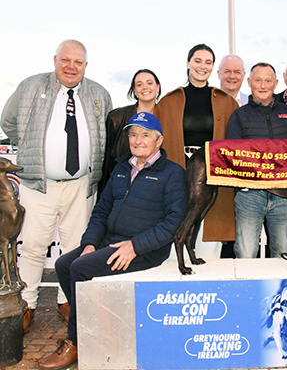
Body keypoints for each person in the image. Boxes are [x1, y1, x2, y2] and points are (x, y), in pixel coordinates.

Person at [37, 112, 187, 370]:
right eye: (133, 134)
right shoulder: (121, 169)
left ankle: (76, 341)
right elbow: (101, 211)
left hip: (144, 249)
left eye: (145, 135)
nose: (138, 140)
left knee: (79, 268)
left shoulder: (173, 173)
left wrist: (135, 246)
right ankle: (93, 327)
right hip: (110, 241)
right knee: (64, 264)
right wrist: (90, 243)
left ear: (159, 140)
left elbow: (174, 222)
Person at [0, 39, 112, 332]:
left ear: (86, 66)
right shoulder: (29, 87)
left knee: (75, 247)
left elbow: (105, 134)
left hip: (81, 185)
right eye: (66, 60)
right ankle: (27, 304)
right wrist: (33, 147)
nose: (71, 66)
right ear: (55, 60)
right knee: (34, 246)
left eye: (78, 62)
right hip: (39, 184)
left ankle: (67, 301)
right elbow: (8, 122)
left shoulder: (99, 93)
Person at [154, 44, 239, 258]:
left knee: (209, 247)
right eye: (198, 61)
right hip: (178, 172)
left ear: (213, 68)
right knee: (176, 236)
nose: (202, 66)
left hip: (213, 175)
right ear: (188, 63)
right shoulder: (168, 101)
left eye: (208, 62)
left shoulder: (228, 102)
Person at [226, 63, 287, 258]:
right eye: (258, 81)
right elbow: (232, 155)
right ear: (249, 82)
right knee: (246, 253)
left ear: (276, 83)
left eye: (268, 81)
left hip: (283, 195)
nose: (263, 86)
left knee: (282, 254)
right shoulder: (238, 115)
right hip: (250, 195)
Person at [99, 69, 161, 196]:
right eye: (139, 84)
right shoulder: (116, 117)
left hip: (155, 190)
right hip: (120, 188)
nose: (145, 87)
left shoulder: (167, 117)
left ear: (157, 87)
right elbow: (106, 160)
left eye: (149, 83)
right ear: (134, 91)